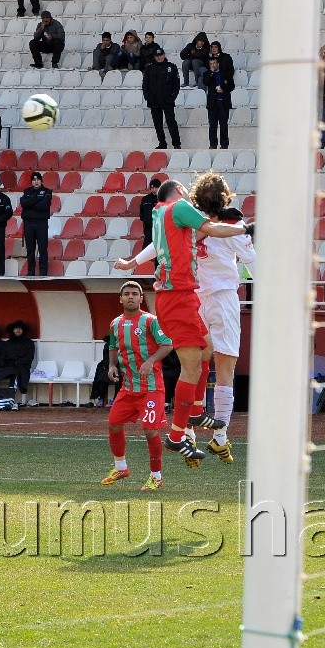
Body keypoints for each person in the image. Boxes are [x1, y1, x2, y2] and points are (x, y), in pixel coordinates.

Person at [114, 177, 251, 466]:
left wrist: (132, 262)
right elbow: (249, 256)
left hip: (191, 295)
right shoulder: (205, 217)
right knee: (219, 366)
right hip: (205, 295)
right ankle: (204, 434)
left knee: (203, 352)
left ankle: (191, 423)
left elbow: (156, 244)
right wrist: (245, 228)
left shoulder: (173, 215)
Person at [190, 190, 255, 461]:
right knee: (225, 368)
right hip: (223, 298)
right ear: (225, 198)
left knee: (192, 365)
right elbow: (254, 263)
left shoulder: (194, 225)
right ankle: (219, 437)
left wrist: (134, 262)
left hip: (195, 298)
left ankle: (186, 432)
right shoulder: (233, 228)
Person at [100, 281, 175, 491]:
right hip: (129, 387)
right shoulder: (115, 324)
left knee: (150, 431)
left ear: (141, 299)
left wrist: (150, 361)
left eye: (135, 294)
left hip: (151, 388)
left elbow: (168, 344)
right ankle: (121, 467)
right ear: (121, 299)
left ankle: (156, 476)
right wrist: (112, 366)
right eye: (127, 294)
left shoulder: (150, 321)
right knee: (113, 424)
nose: (131, 297)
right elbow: (113, 346)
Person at [142, 48, 182, 150]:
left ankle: (176, 144)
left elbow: (176, 84)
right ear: (155, 56)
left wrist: (173, 97)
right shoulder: (149, 68)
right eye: (157, 56)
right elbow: (145, 84)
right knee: (158, 124)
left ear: (164, 55)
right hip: (154, 100)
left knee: (171, 122)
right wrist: (147, 97)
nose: (159, 57)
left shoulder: (171, 67)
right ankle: (162, 143)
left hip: (167, 100)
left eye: (161, 55)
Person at [203, 57, 233, 150]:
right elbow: (206, 82)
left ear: (218, 64)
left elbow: (231, 85)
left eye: (214, 63)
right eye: (211, 63)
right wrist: (211, 72)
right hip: (213, 103)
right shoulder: (207, 74)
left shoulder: (225, 73)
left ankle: (224, 145)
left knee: (223, 124)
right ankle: (213, 145)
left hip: (223, 102)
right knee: (213, 125)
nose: (213, 65)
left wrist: (223, 90)